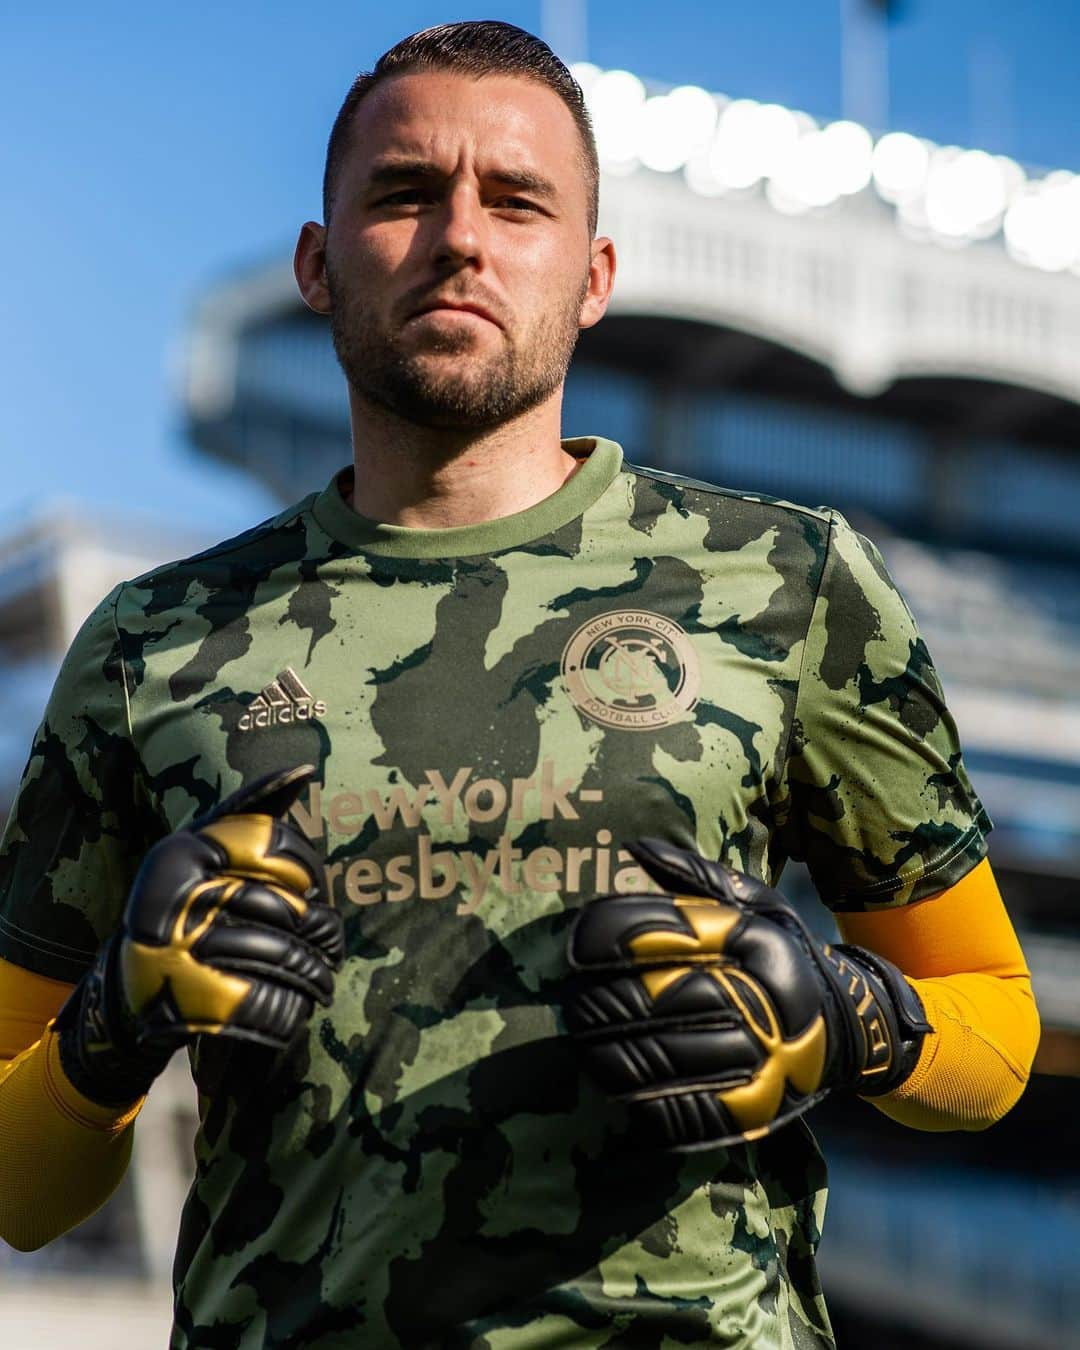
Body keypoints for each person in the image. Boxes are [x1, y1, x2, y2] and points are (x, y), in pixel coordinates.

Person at [0, 20, 1040, 1349]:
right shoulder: (151, 644)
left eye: (517, 199)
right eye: (402, 192)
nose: (460, 235)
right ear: (318, 264)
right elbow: (19, 1190)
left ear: (594, 273)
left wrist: (849, 1015)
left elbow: (996, 1032)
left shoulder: (793, 584)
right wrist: (109, 1023)